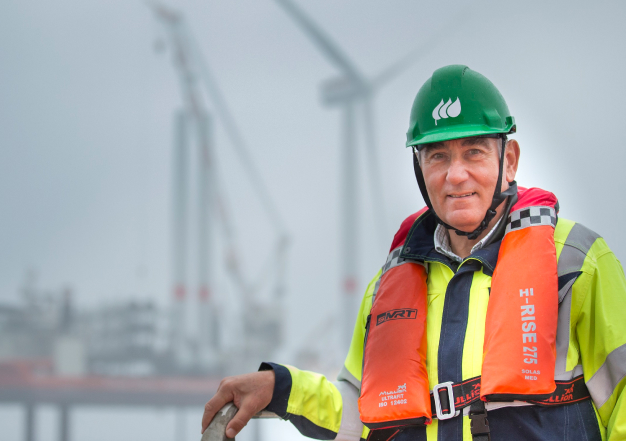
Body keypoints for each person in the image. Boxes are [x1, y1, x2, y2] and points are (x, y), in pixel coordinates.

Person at [201, 65, 626, 440]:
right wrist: (280, 388)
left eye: (473, 152)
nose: (456, 175)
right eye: (437, 156)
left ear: (508, 160)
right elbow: (361, 416)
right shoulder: (387, 287)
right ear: (420, 170)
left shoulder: (575, 262)